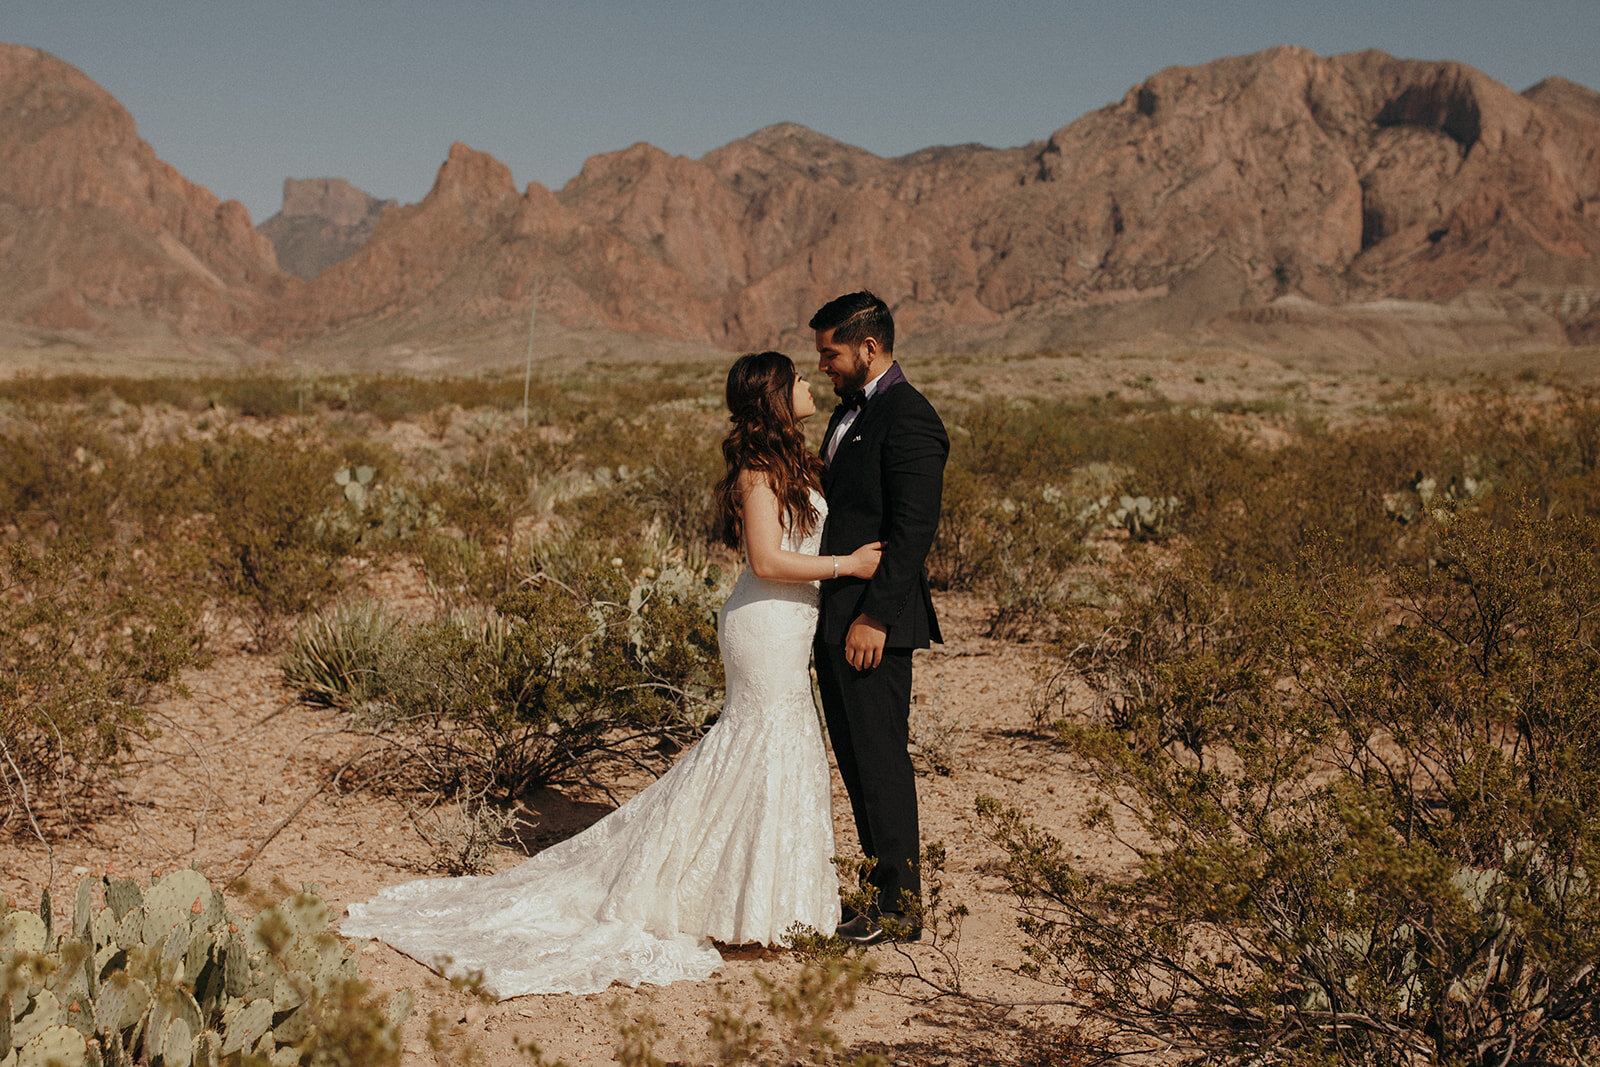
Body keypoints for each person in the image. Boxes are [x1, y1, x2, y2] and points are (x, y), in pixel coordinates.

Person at [341, 351, 882, 997]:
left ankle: (762, 898)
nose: (805, 383)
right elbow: (765, 559)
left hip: (789, 622)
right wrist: (847, 567)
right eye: (794, 377)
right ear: (773, 394)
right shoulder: (759, 470)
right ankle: (745, 901)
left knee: (773, 747)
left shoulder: (791, 460)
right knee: (765, 742)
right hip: (764, 622)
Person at [810, 291, 948, 945]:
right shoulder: (848, 415)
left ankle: (901, 907)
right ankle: (877, 892)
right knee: (856, 759)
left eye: (830, 353)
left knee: (881, 760)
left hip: (870, 624)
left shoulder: (910, 416)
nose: (823, 367)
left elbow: (912, 531)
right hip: (833, 620)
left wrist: (875, 618)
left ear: (869, 348)